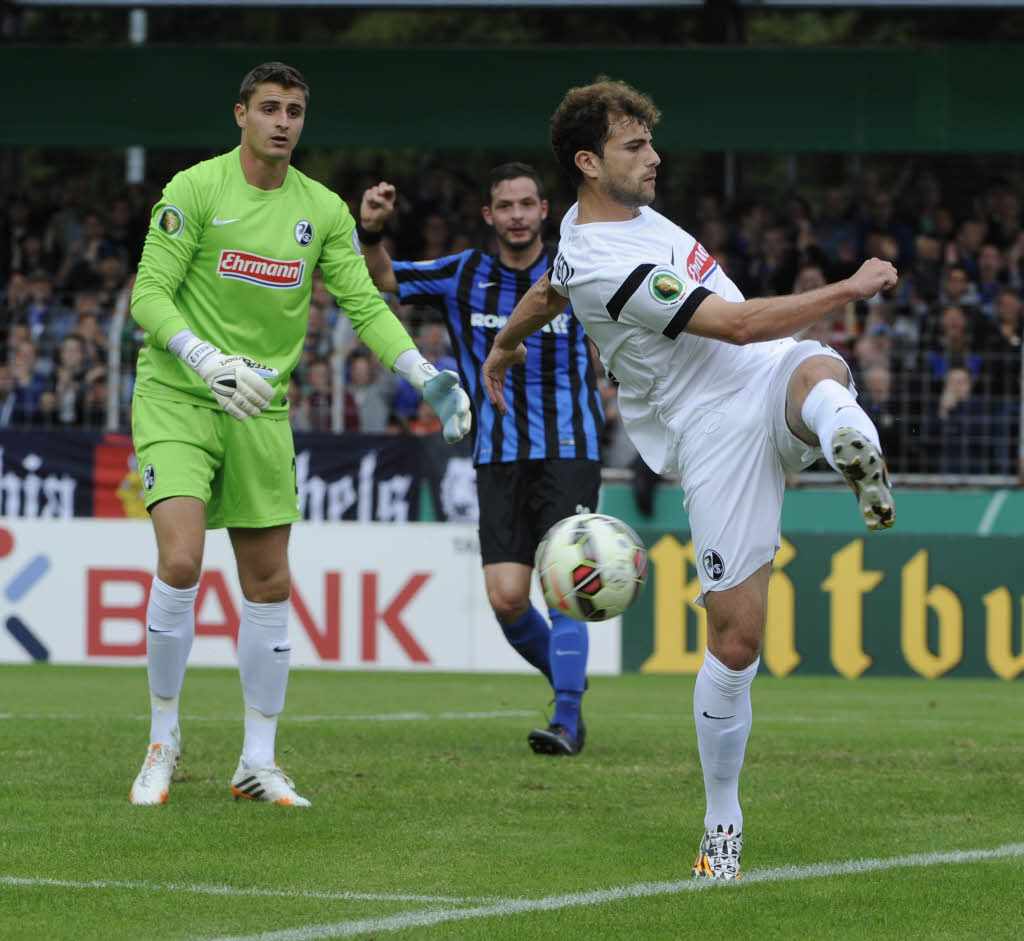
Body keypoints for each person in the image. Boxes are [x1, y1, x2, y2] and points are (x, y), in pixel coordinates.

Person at [482, 79, 897, 879]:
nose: (654, 157)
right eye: (635, 146)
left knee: (813, 370)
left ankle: (848, 435)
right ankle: (721, 820)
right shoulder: (606, 263)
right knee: (737, 642)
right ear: (589, 161)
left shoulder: (578, 229)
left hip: (764, 375)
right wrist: (848, 287)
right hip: (709, 429)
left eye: (649, 141)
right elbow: (736, 325)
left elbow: (547, 286)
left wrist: (504, 342)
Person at [127, 62, 471, 807]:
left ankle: (257, 758)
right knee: (182, 560)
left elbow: (365, 304)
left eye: (295, 111)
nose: (283, 122)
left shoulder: (323, 209)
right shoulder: (195, 189)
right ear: (241, 114)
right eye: (270, 109)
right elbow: (147, 294)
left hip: (261, 409)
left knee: (270, 582)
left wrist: (422, 370)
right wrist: (205, 357)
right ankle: (162, 739)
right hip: (179, 395)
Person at [358, 162, 605, 756]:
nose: (518, 215)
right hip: (496, 454)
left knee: (563, 583)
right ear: (489, 216)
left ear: (545, 211)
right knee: (506, 597)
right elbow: (384, 277)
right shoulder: (463, 272)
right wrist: (369, 231)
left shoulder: (580, 267)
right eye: (506, 206)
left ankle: (567, 719)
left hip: (570, 448)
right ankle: (567, 676)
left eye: (528, 204)